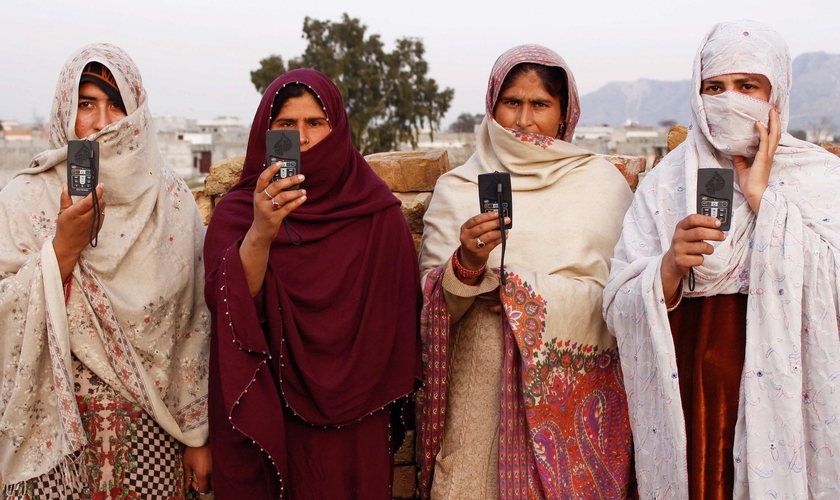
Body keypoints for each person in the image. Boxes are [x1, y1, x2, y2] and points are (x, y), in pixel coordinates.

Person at [604, 20, 840, 499]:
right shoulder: (665, 185)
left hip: (791, 401)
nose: (730, 100)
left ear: (776, 92)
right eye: (715, 87)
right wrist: (668, 267)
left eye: (747, 86)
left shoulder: (821, 179)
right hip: (693, 398)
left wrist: (762, 199)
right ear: (697, 92)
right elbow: (617, 304)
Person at [417, 44, 635, 499]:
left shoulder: (601, 185)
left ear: (564, 114)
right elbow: (432, 309)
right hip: (481, 389)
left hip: (572, 398)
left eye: (540, 105)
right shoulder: (457, 188)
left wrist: (522, 293)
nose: (523, 120)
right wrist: (469, 264)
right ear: (492, 107)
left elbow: (623, 295)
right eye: (511, 102)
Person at [0, 44, 211, 498]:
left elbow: (195, 322)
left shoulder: (170, 204)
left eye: (116, 104)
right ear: (65, 110)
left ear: (136, 113)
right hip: (53, 434)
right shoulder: (23, 199)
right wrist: (61, 250)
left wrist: (197, 436)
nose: (101, 122)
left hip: (151, 434)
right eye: (86, 104)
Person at [204, 68, 421, 499]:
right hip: (271, 418)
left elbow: (397, 323)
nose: (301, 138)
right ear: (266, 132)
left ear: (336, 129)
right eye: (286, 125)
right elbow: (227, 303)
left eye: (315, 123)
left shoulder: (376, 214)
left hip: (356, 426)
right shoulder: (236, 213)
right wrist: (261, 233)